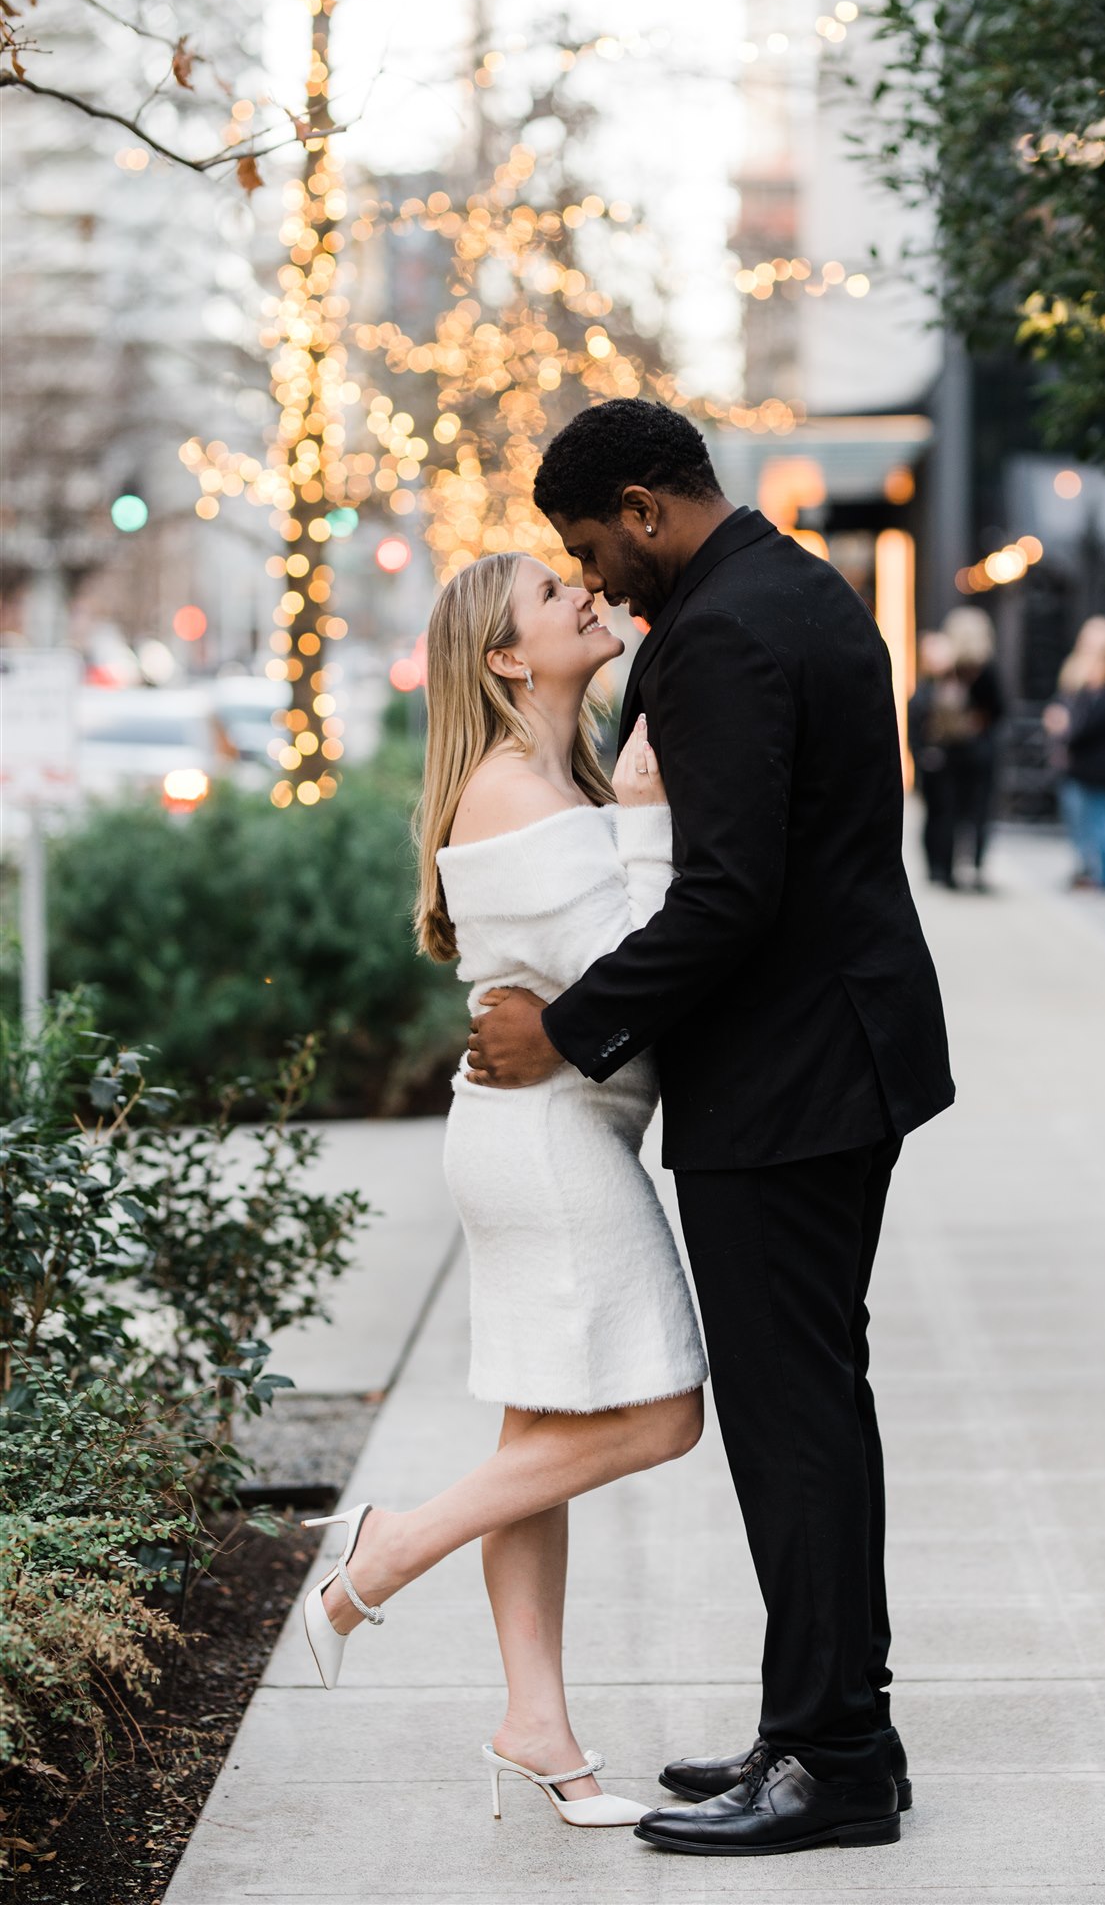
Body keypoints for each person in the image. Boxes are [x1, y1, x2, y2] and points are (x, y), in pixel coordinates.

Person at [467, 397, 955, 1857]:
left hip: (791, 1081)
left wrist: (561, 1027)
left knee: (793, 1418)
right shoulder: (787, 587)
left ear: (642, 502)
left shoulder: (729, 631)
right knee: (811, 1409)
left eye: (587, 545)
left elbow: (727, 896)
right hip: (827, 1061)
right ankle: (822, 1725)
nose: (593, 576)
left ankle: (834, 1757)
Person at [299, 548, 708, 1833]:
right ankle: (383, 1551)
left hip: (543, 1130)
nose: (584, 591)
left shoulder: (552, 777)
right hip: (548, 1145)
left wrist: (625, 804)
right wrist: (646, 823)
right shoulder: (516, 791)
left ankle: (536, 1724)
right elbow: (630, 979)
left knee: (540, 1446)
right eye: (550, 593)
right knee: (661, 1417)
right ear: (505, 658)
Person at [1043, 615, 1105, 891]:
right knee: (1078, 818)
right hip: (1076, 762)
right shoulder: (1076, 672)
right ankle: (1086, 869)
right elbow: (1065, 706)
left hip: (1102, 764)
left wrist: (1069, 726)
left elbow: (1104, 718)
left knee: (1103, 820)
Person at [939, 606, 1006, 890]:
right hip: (980, 748)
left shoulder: (948, 671)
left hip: (953, 749)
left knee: (952, 809)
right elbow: (1000, 709)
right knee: (978, 811)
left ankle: (948, 869)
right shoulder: (986, 671)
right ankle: (976, 869)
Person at [907, 630, 958, 884]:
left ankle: (947, 868)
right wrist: (922, 756)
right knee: (935, 816)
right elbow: (914, 730)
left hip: (953, 763)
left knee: (950, 817)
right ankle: (935, 867)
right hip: (931, 764)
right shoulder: (923, 691)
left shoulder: (952, 687)